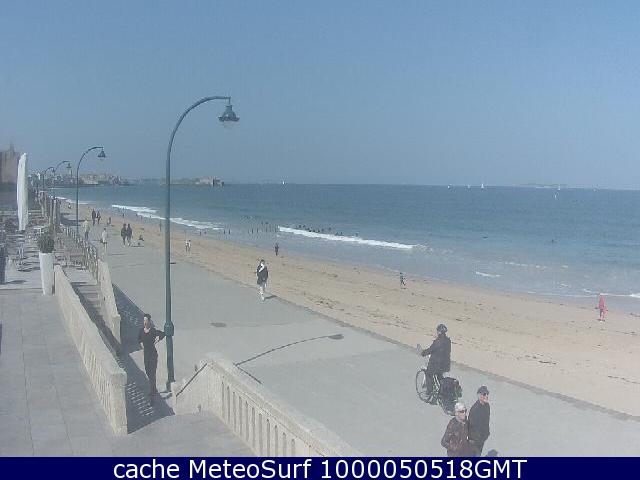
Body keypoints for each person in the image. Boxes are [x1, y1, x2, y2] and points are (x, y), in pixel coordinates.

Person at [419, 324, 451, 400]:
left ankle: (429, 392)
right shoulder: (448, 341)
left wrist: (423, 353)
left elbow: (430, 350)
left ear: (439, 332)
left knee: (428, 374)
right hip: (445, 364)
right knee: (439, 376)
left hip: (436, 364)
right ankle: (443, 391)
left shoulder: (437, 341)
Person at [138, 314, 165, 396]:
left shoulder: (153, 330)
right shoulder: (141, 331)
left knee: (152, 372)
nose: (145, 322)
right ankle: (153, 388)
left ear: (149, 321)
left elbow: (162, 334)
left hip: (153, 354)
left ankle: (153, 390)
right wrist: (142, 345)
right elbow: (139, 339)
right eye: (144, 320)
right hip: (146, 355)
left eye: (146, 320)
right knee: (148, 372)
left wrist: (157, 340)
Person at [468, 386, 491, 456]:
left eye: (487, 394)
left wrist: (486, 433)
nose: (486, 396)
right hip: (475, 440)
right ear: (479, 395)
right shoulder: (474, 409)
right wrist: (472, 439)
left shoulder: (487, 406)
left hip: (482, 437)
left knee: (478, 453)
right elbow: (470, 425)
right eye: (484, 394)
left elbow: (486, 421)